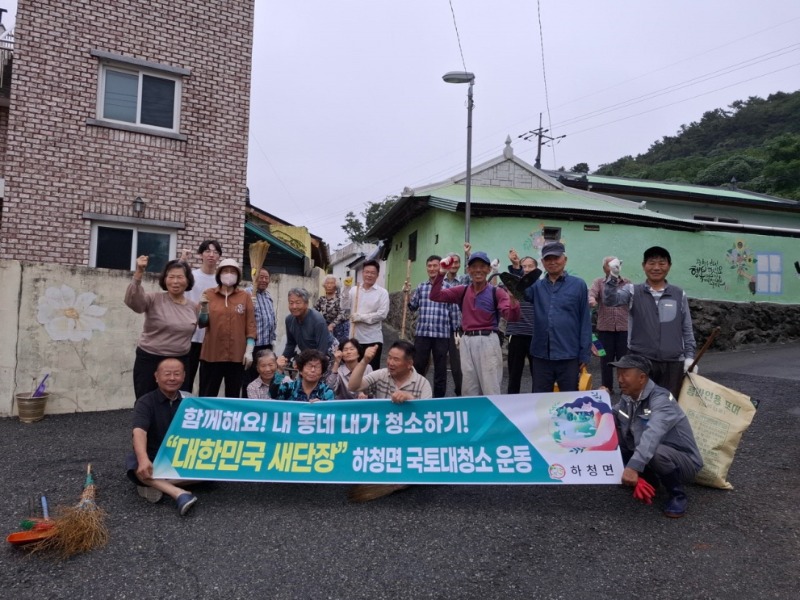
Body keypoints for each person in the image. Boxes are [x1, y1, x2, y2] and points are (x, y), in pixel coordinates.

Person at [610, 354, 703, 518]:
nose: (620, 379)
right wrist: (597, 400)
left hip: (682, 461)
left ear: (641, 378)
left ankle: (677, 495)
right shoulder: (628, 397)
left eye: (625, 374)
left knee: (655, 450)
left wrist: (632, 467)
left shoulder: (662, 399)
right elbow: (611, 414)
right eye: (618, 373)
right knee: (613, 433)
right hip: (648, 454)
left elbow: (653, 434)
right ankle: (650, 479)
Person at [603, 246, 697, 399]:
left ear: (669, 266)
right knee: (638, 405)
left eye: (662, 263)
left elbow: (686, 328)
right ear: (643, 266)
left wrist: (689, 357)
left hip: (672, 363)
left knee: (667, 407)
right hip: (640, 361)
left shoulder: (679, 294)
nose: (656, 268)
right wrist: (613, 276)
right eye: (652, 263)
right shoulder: (633, 290)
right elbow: (610, 300)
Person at [430, 251, 520, 396]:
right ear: (468, 270)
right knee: (469, 388)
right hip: (466, 341)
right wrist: (441, 273)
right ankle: (474, 418)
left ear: (489, 270)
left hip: (488, 340)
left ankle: (492, 418)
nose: (478, 270)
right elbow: (435, 296)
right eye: (474, 266)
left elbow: (512, 317)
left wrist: (514, 300)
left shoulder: (496, 292)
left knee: (491, 388)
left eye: (482, 266)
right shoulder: (463, 291)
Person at [126, 358, 201, 516]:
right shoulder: (145, 402)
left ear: (184, 376)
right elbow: (139, 431)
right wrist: (143, 458)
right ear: (156, 376)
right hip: (156, 456)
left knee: (214, 470)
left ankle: (153, 484)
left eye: (177, 374)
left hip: (182, 455)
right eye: (167, 374)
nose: (172, 378)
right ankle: (178, 493)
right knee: (137, 465)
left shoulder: (191, 400)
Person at [521, 241, 592, 393]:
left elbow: (585, 321)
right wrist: (516, 268)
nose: (552, 262)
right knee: (540, 401)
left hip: (568, 354)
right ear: (542, 262)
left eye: (556, 258)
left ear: (565, 259)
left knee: (570, 400)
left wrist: (584, 353)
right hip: (541, 355)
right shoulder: (536, 287)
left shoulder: (578, 285)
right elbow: (520, 291)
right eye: (548, 259)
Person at [125, 256, 197, 400]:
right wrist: (139, 272)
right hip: (150, 360)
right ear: (165, 279)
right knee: (146, 401)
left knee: (178, 403)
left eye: (180, 277)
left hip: (180, 361)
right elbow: (134, 303)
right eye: (171, 277)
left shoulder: (193, 307)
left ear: (188, 280)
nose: (175, 281)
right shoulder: (154, 299)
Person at [198, 258, 256, 397]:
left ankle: (231, 419)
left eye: (232, 271)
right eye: (225, 271)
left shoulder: (245, 296)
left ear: (238, 276)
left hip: (237, 356)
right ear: (219, 274)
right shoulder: (209, 294)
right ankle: (207, 418)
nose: (229, 274)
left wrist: (249, 351)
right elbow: (202, 324)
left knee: (233, 395)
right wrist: (204, 309)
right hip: (212, 355)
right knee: (207, 394)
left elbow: (251, 325)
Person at [407, 255, 458, 398]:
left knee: (440, 370)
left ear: (441, 267)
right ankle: (416, 397)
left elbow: (453, 312)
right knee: (418, 367)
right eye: (429, 266)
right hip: (422, 333)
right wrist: (407, 293)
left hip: (442, 335)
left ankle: (438, 400)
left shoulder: (448, 287)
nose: (432, 269)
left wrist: (455, 332)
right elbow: (412, 307)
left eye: (435, 265)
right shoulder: (421, 287)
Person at [182, 240, 222, 393]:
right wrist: (182, 260)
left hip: (210, 338)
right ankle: (185, 411)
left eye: (215, 252)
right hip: (190, 336)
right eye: (207, 251)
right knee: (186, 379)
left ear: (219, 256)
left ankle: (204, 413)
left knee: (208, 381)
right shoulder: (191, 276)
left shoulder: (221, 280)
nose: (211, 255)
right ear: (200, 254)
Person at [588, 256, 631, 392]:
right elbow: (591, 294)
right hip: (605, 328)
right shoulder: (599, 282)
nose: (613, 267)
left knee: (624, 360)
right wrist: (592, 300)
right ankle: (607, 387)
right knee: (605, 359)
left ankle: (625, 387)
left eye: (616, 264)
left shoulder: (627, 283)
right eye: (610, 265)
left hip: (624, 327)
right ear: (604, 268)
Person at [504, 252, 542, 394]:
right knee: (514, 375)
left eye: (530, 266)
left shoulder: (540, 286)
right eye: (524, 266)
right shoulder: (514, 285)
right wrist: (515, 265)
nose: (526, 269)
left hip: (535, 335)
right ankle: (512, 405)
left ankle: (537, 404)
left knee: (538, 374)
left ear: (536, 269)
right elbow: (513, 279)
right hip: (516, 334)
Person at [348, 341, 432, 402]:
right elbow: (353, 387)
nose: (390, 363)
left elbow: (427, 412)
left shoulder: (423, 384)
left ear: (409, 363)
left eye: (396, 359)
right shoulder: (381, 375)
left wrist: (410, 399)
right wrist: (364, 361)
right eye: (389, 357)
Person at [241, 267, 277, 397]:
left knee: (266, 380)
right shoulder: (246, 293)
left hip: (266, 345)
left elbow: (272, 319)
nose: (263, 280)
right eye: (261, 277)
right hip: (252, 346)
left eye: (266, 278)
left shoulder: (268, 295)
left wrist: (273, 340)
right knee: (249, 380)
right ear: (254, 277)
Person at [349, 260, 389, 371]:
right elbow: (344, 306)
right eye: (367, 272)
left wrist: (361, 317)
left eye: (372, 273)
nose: (369, 275)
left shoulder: (382, 292)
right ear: (362, 273)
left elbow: (382, 314)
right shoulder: (354, 290)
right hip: (354, 338)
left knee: (371, 372)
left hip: (372, 339)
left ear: (377, 275)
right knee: (353, 371)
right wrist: (345, 289)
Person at [278, 288, 331, 371]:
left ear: (306, 304)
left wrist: (307, 364)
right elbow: (291, 344)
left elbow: (322, 350)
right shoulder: (289, 320)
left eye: (298, 303)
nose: (294, 307)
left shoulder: (318, 321)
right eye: (291, 303)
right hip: (309, 357)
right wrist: (283, 359)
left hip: (327, 356)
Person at [443, 250, 466, 396]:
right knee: (438, 365)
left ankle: (460, 394)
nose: (454, 264)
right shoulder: (440, 281)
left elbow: (478, 276)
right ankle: (438, 396)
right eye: (451, 261)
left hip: (457, 330)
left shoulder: (464, 280)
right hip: (440, 328)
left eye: (457, 262)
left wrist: (468, 255)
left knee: (458, 366)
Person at [271, 349, 335, 402]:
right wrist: (279, 370)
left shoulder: (327, 392)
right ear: (301, 370)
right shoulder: (289, 388)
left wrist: (321, 406)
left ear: (322, 373)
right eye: (309, 366)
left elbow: (331, 412)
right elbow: (273, 394)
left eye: (317, 367)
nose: (313, 370)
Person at [315, 275, 350, 344]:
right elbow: (314, 311)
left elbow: (342, 314)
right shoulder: (321, 299)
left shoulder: (340, 298)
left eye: (332, 283)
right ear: (324, 285)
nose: (329, 285)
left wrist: (332, 325)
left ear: (336, 285)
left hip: (340, 328)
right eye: (327, 283)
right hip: (327, 327)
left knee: (340, 347)